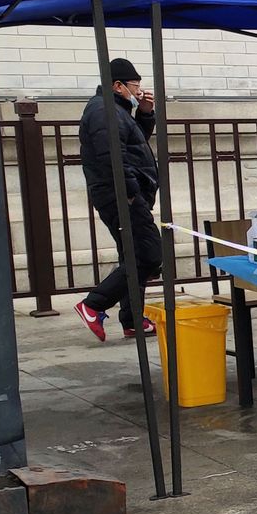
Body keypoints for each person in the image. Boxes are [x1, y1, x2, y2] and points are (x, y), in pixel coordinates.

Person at [74, 58, 161, 342]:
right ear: (118, 86)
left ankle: (133, 320)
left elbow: (135, 144)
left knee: (133, 255)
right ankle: (93, 305)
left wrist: (146, 114)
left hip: (125, 193)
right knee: (149, 254)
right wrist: (132, 192)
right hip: (121, 195)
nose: (139, 91)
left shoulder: (116, 111)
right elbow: (112, 157)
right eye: (135, 86)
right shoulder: (104, 111)